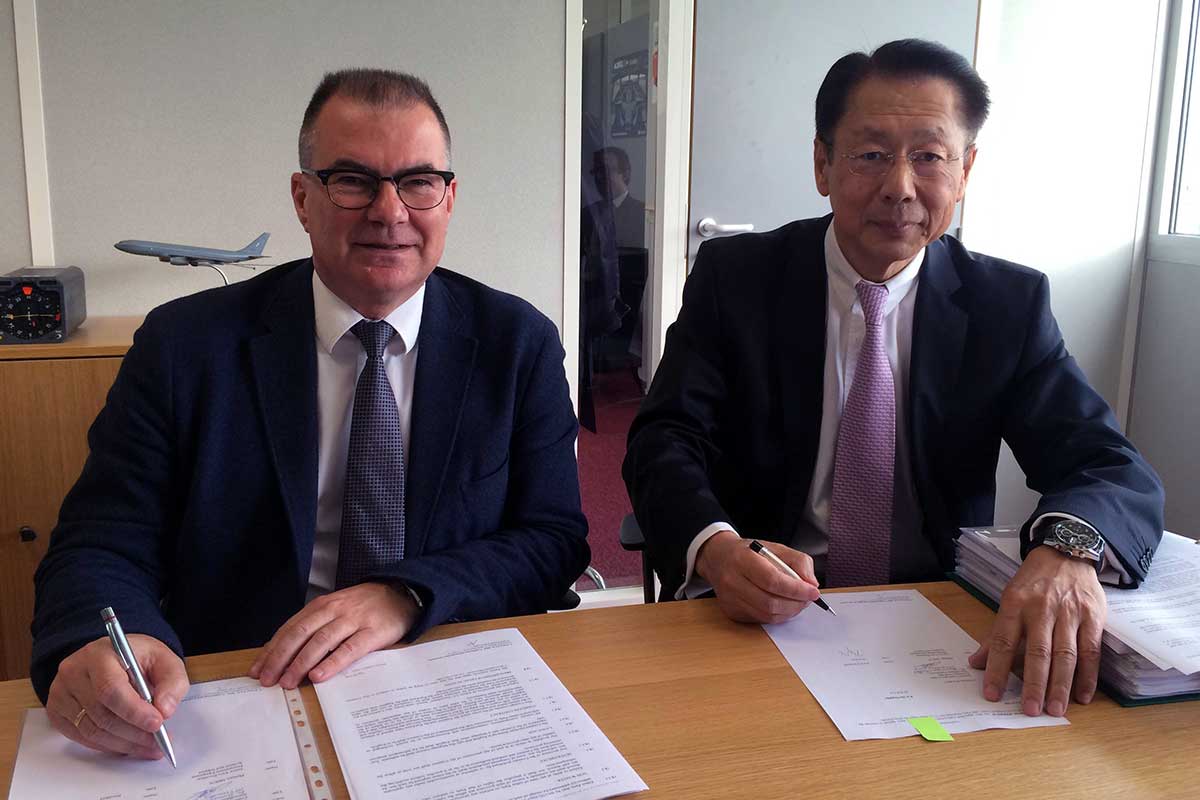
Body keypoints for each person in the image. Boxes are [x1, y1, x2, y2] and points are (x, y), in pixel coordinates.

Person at [31, 68, 589, 759]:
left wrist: (405, 595)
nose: (390, 213)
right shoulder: (184, 346)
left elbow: (551, 537)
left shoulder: (517, 342)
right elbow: (102, 540)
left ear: (449, 198)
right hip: (245, 689)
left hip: (450, 687)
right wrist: (103, 638)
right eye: (353, 181)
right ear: (302, 197)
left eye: (418, 182)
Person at [622, 39, 1163, 719]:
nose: (899, 187)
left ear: (965, 171)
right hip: (762, 613)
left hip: (935, 623)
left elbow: (1110, 467)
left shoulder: (1006, 305)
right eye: (871, 154)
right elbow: (664, 439)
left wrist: (1067, 549)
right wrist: (717, 549)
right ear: (822, 163)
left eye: (930, 157)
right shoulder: (738, 279)